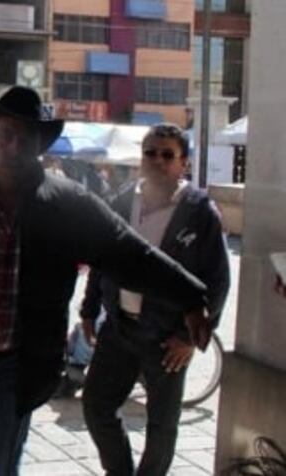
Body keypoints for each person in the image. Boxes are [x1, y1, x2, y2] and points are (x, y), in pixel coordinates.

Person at [0, 86, 213, 476]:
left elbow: (126, 251)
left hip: (14, 367)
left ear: (39, 146)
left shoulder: (65, 203)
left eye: (28, 136)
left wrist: (191, 296)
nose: (15, 143)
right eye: (6, 132)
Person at [81, 123, 230, 476]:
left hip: (167, 339)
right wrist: (89, 310)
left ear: (184, 164)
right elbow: (101, 257)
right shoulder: (120, 200)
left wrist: (189, 338)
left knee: (162, 426)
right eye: (151, 153)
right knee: (96, 406)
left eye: (168, 155)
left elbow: (218, 281)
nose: (158, 161)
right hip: (119, 330)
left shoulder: (200, 212)